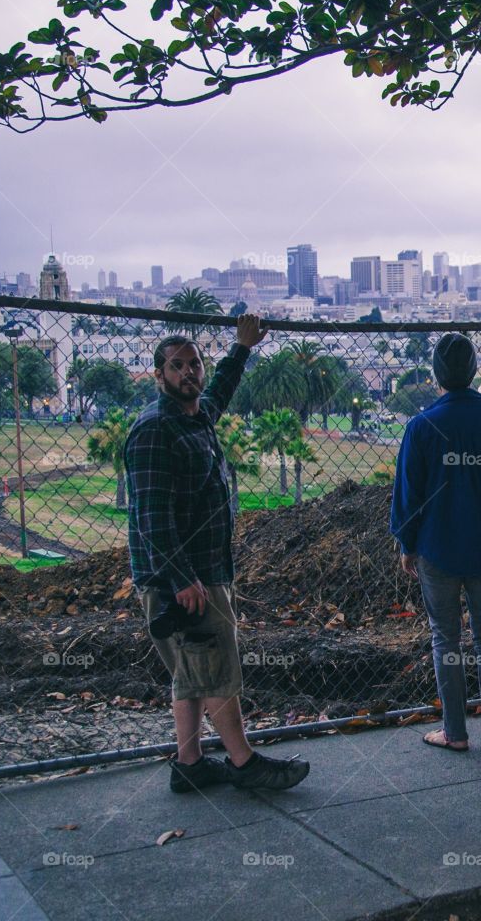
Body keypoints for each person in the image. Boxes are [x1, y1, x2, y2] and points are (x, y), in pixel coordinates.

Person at [125, 316, 310, 793]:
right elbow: (152, 519)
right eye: (177, 366)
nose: (189, 372)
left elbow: (220, 391)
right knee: (216, 669)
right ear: (159, 374)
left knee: (191, 671)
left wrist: (241, 348)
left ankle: (189, 764)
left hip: (200, 572)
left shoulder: (195, 415)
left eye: (195, 364)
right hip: (184, 579)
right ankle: (244, 764)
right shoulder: (153, 432)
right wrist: (183, 578)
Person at [391, 333, 481, 752]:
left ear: (436, 374)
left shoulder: (421, 425)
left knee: (445, 639)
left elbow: (409, 494)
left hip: (437, 548)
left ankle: (454, 732)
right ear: (473, 371)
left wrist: (407, 543)